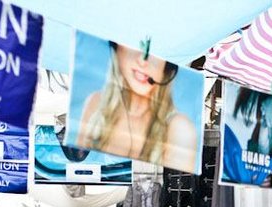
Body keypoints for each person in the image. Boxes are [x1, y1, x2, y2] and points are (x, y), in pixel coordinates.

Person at [77, 42, 198, 172]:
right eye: (135, 44)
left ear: (167, 67)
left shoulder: (179, 128)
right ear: (117, 48)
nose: (143, 61)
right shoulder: (96, 104)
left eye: (154, 51)